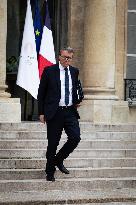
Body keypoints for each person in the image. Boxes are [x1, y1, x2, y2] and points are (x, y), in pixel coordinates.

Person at [38, 47, 82, 181]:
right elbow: (41, 93)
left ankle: (58, 159)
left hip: (69, 111)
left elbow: (74, 88)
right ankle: (49, 172)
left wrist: (77, 100)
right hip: (54, 112)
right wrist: (41, 112)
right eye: (64, 57)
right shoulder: (49, 71)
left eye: (69, 58)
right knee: (53, 143)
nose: (67, 60)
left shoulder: (74, 71)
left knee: (75, 137)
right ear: (59, 57)